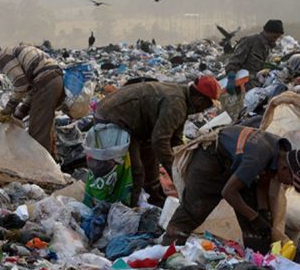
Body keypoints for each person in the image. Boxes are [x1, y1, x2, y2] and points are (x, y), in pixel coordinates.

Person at [162, 125, 300, 251]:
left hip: (234, 164)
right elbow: (228, 192)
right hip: (211, 160)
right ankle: (168, 249)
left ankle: (258, 258)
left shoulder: (280, 152)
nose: (288, 184)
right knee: (194, 209)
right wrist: (254, 217)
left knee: (256, 216)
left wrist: (261, 212)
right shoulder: (257, 157)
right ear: (285, 169)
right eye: (290, 181)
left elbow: (262, 182)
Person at [94, 75, 220, 206]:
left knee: (151, 164)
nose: (206, 109)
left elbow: (175, 139)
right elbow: (160, 141)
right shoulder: (176, 104)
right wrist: (175, 172)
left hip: (135, 124)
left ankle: (156, 202)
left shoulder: (182, 99)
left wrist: (185, 164)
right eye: (208, 104)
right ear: (199, 100)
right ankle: (131, 209)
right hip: (113, 118)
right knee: (137, 171)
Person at [0, 43, 65, 158]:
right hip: (54, 80)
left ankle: (41, 168)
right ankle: (53, 162)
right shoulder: (11, 52)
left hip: (46, 81)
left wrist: (8, 109)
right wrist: (19, 113)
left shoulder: (2, 57)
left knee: (37, 131)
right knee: (44, 123)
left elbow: (21, 85)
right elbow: (30, 90)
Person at [225, 20, 285, 92]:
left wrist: (272, 67)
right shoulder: (250, 41)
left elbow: (259, 64)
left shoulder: (267, 46)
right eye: (274, 37)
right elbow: (234, 61)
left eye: (277, 38)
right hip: (243, 85)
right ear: (266, 32)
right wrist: (231, 78)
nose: (275, 40)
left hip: (256, 85)